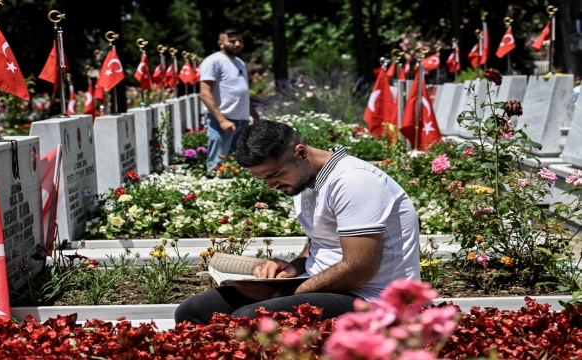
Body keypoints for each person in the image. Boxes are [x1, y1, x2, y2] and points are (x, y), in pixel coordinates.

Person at [174, 120, 420, 325]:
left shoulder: (354, 181)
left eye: (275, 175)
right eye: (264, 179)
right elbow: (320, 240)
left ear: (301, 153)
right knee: (193, 311)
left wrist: (281, 293)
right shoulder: (304, 179)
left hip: (373, 298)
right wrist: (293, 267)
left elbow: (360, 267)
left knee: (250, 320)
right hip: (323, 285)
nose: (271, 186)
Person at [199, 27, 260, 171]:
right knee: (217, 165)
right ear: (220, 43)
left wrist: (256, 118)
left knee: (238, 165)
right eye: (232, 41)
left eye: (240, 40)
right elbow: (205, 93)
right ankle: (212, 189)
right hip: (223, 121)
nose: (237, 44)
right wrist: (222, 120)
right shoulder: (213, 61)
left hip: (242, 121)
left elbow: (243, 94)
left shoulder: (239, 62)